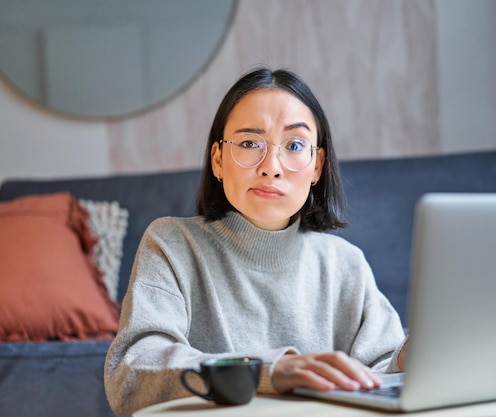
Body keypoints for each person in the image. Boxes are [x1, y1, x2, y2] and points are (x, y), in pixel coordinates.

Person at [104, 67, 406, 417]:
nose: (272, 166)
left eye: (295, 145)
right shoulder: (172, 243)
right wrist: (266, 370)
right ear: (218, 160)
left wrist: (412, 356)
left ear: (317, 166)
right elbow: (134, 371)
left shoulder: (345, 262)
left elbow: (381, 368)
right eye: (249, 143)